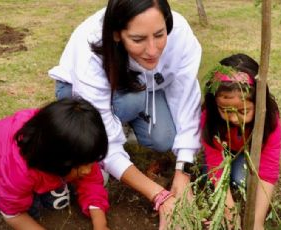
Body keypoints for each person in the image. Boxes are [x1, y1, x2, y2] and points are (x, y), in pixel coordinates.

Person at [48, 0, 202, 227]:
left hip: (145, 90)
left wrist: (184, 173)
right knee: (127, 105)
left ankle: (123, 123)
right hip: (80, 96)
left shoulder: (180, 34)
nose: (152, 50)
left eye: (159, 35)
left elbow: (187, 102)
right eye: (138, 40)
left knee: (164, 139)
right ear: (117, 34)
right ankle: (108, 139)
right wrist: (160, 196)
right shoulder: (91, 47)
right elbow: (105, 143)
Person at [0, 98, 110, 230]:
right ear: (55, 161)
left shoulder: (74, 146)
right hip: (0, 169)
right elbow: (13, 213)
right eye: (81, 165)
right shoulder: (20, 169)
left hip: (41, 169)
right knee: (30, 210)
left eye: (90, 163)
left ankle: (47, 184)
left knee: (57, 201)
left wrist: (100, 225)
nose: (87, 170)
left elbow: (92, 182)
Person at [201, 54, 281, 229]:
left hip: (250, 153)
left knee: (240, 179)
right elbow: (216, 165)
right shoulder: (210, 118)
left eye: (244, 111)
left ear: (259, 102)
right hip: (224, 151)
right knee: (208, 174)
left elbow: (268, 170)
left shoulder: (270, 120)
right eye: (225, 110)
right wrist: (230, 215)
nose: (234, 118)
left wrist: (256, 222)